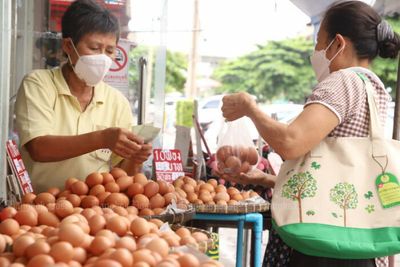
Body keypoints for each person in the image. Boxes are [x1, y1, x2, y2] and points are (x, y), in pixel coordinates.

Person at [221, 1, 400, 267]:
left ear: (338, 43)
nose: (316, 51)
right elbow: (336, 173)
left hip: (322, 250)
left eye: (319, 42)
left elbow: (291, 143)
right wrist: (269, 179)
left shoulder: (343, 81)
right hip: (355, 244)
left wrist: (250, 109)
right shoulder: (373, 87)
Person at [15, 0, 151, 193]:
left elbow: (122, 175)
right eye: (94, 48)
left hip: (95, 209)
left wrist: (135, 159)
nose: (103, 58)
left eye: (110, 51)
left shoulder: (117, 102)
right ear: (68, 46)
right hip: (39, 206)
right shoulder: (38, 84)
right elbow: (39, 148)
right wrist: (103, 138)